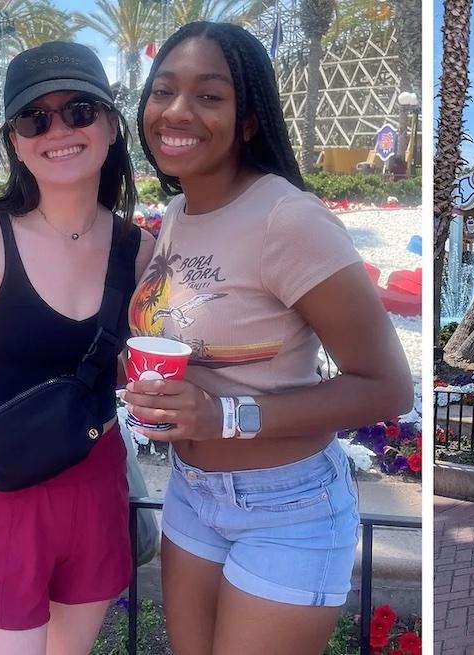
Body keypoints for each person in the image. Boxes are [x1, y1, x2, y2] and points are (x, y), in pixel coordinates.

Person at [124, 23, 411, 654]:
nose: (177, 111)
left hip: (288, 507)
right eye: (164, 91)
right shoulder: (177, 215)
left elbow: (388, 388)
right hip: (193, 493)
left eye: (208, 96)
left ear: (249, 120)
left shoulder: (289, 220)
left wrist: (225, 413)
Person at [0, 42, 154, 654]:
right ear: (15, 141)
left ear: (108, 124)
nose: (58, 130)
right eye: (34, 118)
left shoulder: (140, 251)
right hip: (2, 498)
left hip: (96, 493)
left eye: (78, 110)